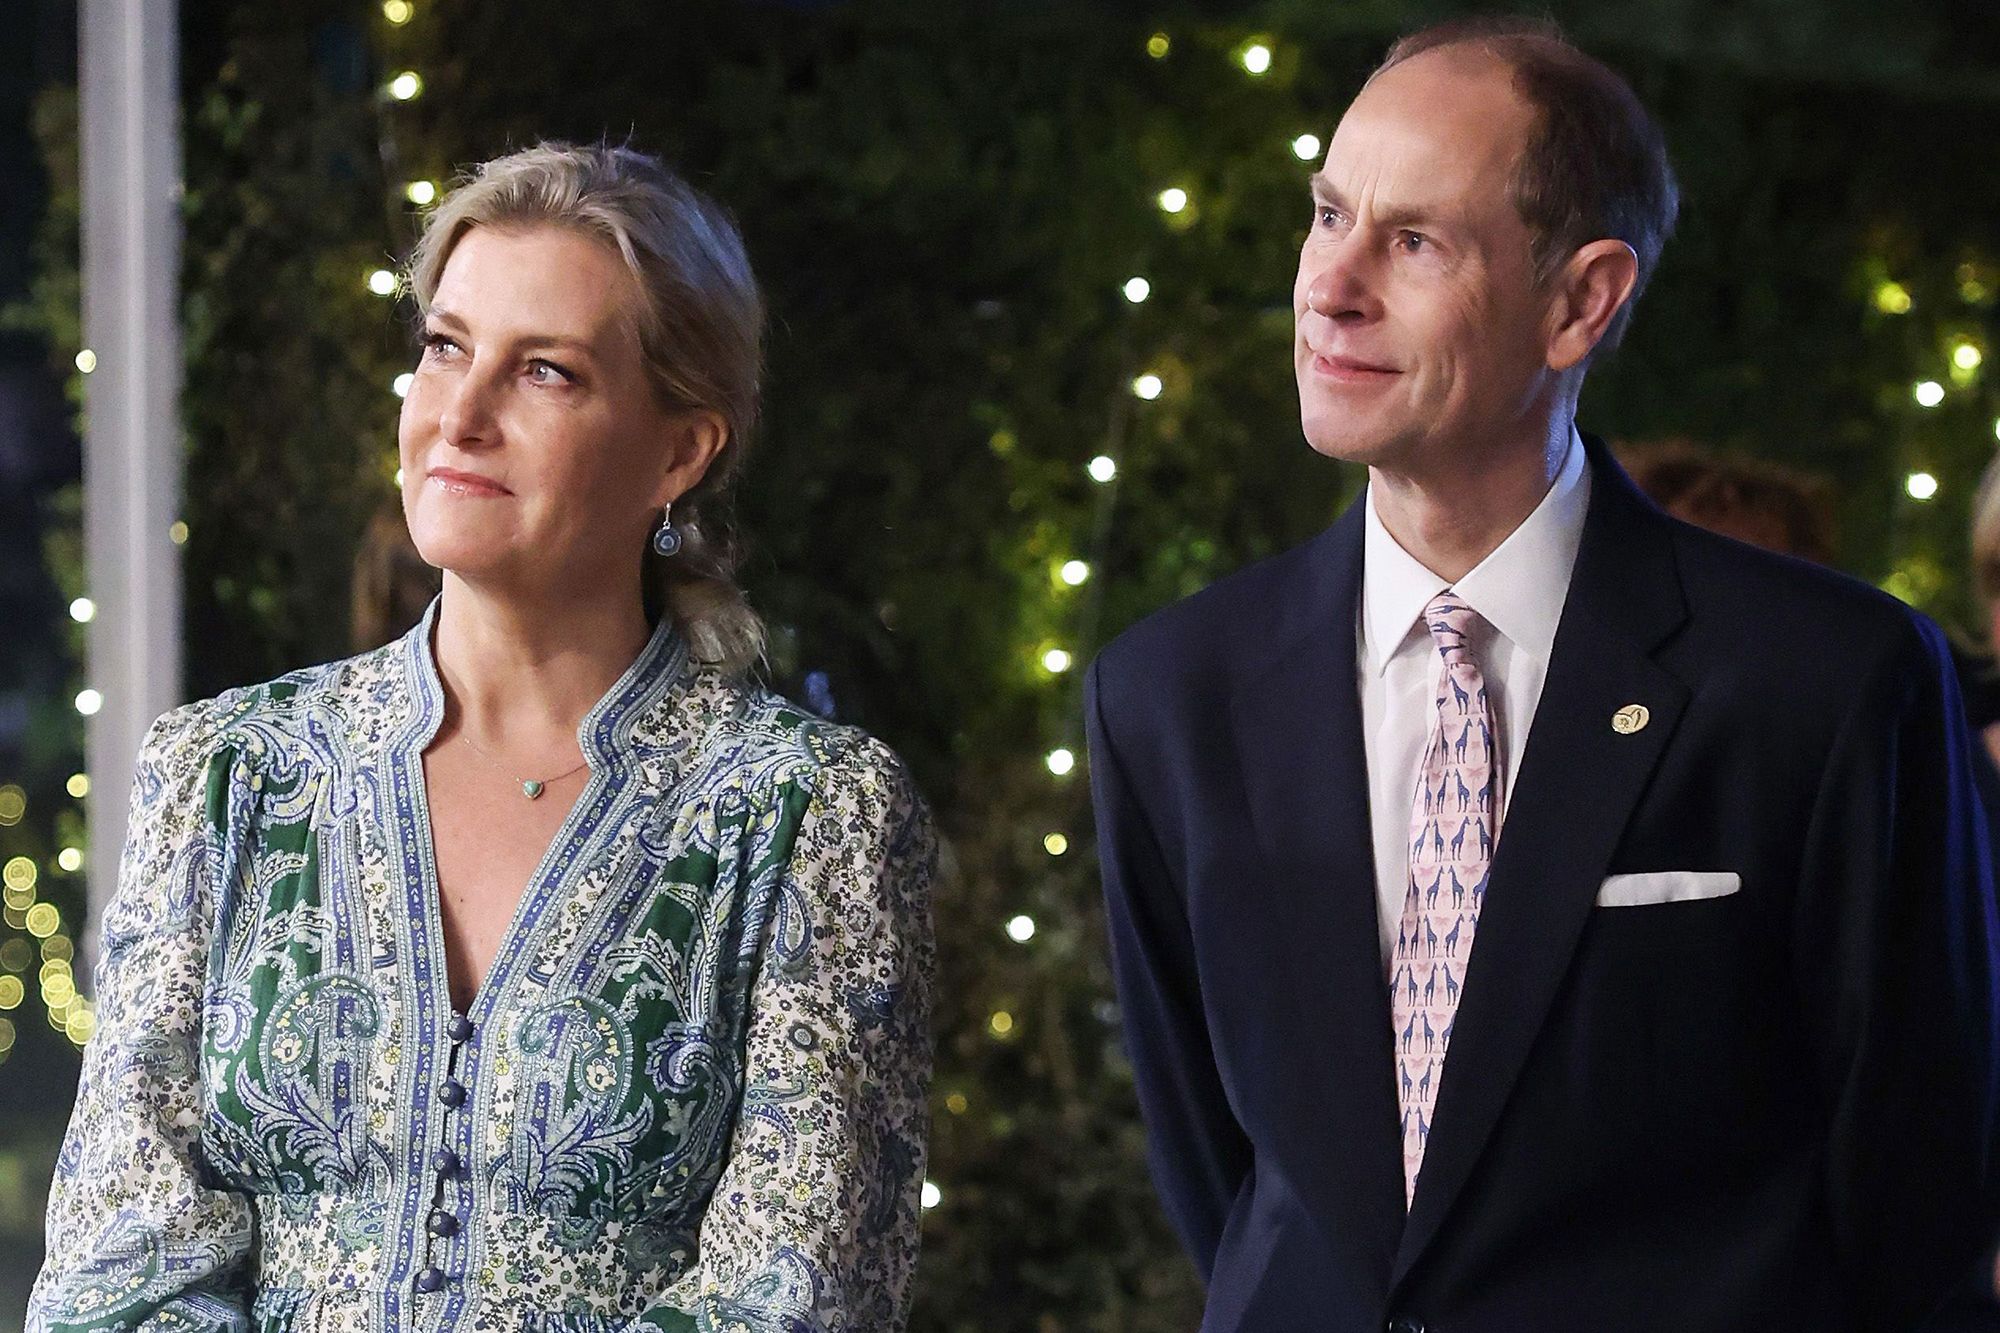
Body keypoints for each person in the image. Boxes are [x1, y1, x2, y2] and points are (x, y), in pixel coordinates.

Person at [1085, 18, 1998, 1332]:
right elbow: (1230, 1176)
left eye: (1414, 241)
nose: (1329, 287)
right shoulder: (1168, 691)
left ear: (1581, 300)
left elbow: (1920, 1203)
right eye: (1328, 214)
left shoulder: (1829, 680)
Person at [29, 142, 937, 1332]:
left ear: (679, 450)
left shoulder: (807, 814)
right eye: (444, 347)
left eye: (544, 372)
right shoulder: (226, 771)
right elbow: (119, 1263)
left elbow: (794, 1296)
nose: (458, 414)